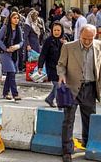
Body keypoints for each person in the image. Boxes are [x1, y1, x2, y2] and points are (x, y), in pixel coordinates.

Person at [57, 24, 101, 162]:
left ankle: (88, 145)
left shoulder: (99, 46)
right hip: (71, 87)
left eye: (90, 38)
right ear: (80, 35)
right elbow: (61, 64)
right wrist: (61, 75)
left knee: (89, 119)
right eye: (85, 38)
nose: (87, 42)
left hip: (90, 88)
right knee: (68, 120)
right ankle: (67, 150)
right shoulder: (68, 47)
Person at [38, 21, 67, 107]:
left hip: (62, 67)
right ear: (52, 31)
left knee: (60, 84)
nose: (57, 32)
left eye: (58, 30)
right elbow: (43, 54)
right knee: (57, 84)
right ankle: (55, 101)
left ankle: (51, 99)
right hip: (51, 67)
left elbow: (70, 52)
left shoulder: (65, 40)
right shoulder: (48, 41)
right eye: (55, 30)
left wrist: (66, 44)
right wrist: (40, 66)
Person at [0, 12, 24, 100]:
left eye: (17, 18)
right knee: (12, 72)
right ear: (10, 19)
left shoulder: (18, 28)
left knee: (10, 74)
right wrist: (6, 48)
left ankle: (5, 93)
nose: (16, 20)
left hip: (14, 53)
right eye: (14, 18)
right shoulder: (5, 28)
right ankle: (15, 94)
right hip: (5, 53)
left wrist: (17, 46)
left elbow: (22, 41)